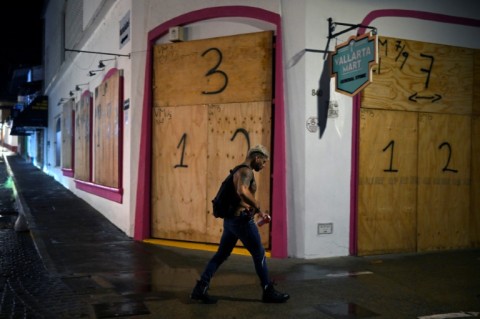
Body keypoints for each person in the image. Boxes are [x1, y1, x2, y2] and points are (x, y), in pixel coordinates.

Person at [190, 144, 290, 304]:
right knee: (259, 254)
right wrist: (258, 206)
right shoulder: (246, 171)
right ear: (257, 158)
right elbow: (242, 191)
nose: (263, 166)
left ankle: (201, 287)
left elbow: (239, 197)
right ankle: (268, 290)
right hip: (242, 222)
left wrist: (256, 212)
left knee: (221, 254)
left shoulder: (237, 170)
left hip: (231, 222)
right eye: (263, 162)